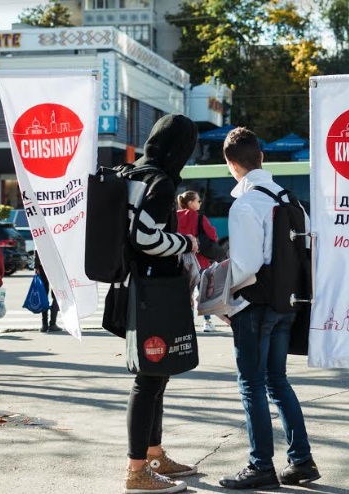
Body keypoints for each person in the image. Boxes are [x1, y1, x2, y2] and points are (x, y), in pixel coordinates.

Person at [218, 127, 320, 490]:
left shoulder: (246, 204)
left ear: (231, 163)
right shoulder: (290, 200)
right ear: (261, 157)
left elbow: (243, 266)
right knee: (278, 381)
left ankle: (261, 465)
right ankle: (301, 460)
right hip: (287, 306)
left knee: (252, 384)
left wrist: (219, 294)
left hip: (254, 306)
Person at [122, 114, 201, 494]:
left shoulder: (134, 172)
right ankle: (137, 471)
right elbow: (145, 236)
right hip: (155, 291)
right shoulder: (162, 181)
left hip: (138, 286)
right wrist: (186, 244)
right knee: (149, 379)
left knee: (158, 374)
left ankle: (153, 455)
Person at [176, 190, 219, 332]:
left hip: (180, 260)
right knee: (203, 293)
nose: (200, 203)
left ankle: (186, 322)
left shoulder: (175, 216)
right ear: (190, 203)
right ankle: (207, 322)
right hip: (200, 261)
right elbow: (212, 236)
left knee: (184, 292)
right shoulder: (199, 218)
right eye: (198, 201)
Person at [34, 250, 61, 333]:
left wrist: (36, 266)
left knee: (44, 295)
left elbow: (37, 245)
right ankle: (52, 324)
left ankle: (45, 324)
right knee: (56, 294)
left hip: (43, 265)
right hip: (56, 265)